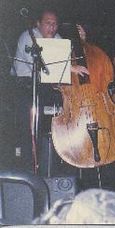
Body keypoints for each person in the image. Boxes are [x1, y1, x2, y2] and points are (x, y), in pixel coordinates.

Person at [10, 8, 89, 174]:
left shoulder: (58, 39)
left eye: (55, 24)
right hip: (25, 86)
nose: (52, 28)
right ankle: (28, 171)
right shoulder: (28, 36)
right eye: (48, 23)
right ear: (38, 24)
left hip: (46, 87)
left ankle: (64, 162)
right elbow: (41, 66)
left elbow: (71, 62)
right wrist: (70, 68)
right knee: (29, 130)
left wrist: (81, 42)